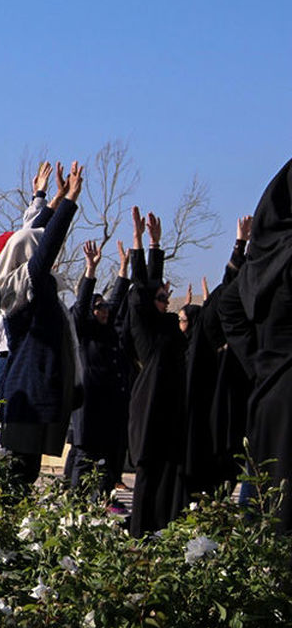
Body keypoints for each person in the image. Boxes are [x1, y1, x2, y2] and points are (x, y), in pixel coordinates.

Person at [0, 161, 84, 487]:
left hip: (34, 393)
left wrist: (53, 197)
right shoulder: (19, 288)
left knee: (26, 475)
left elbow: (34, 237)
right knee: (17, 477)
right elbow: (42, 249)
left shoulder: (32, 285)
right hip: (25, 394)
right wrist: (70, 201)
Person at [219, 158, 292, 534]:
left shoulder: (265, 255)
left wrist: (259, 360)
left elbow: (229, 306)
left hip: (268, 391)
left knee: (266, 503)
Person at [125, 206, 189, 536]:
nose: (166, 300)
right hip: (149, 416)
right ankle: (138, 538)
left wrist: (154, 245)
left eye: (166, 295)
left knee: (168, 483)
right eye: (162, 297)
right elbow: (140, 292)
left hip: (171, 417)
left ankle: (164, 534)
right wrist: (144, 246)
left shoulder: (168, 328)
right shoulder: (144, 327)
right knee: (147, 483)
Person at [183, 217, 252, 499]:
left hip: (230, 417)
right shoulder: (205, 342)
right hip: (207, 424)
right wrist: (240, 246)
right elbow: (225, 297)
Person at [68, 239, 131, 500]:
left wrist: (123, 269)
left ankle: (101, 503)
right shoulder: (84, 331)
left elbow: (117, 300)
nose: (104, 310)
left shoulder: (108, 333)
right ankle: (75, 505)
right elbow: (82, 306)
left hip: (110, 409)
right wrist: (90, 271)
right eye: (99, 307)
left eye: (105, 307)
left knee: (106, 461)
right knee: (85, 459)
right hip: (89, 408)